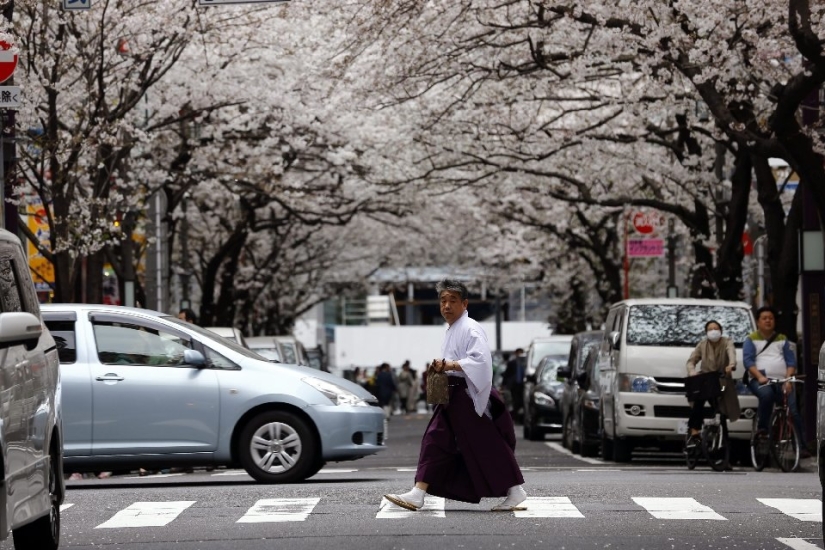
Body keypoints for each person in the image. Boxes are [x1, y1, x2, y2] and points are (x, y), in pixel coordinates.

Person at [384, 279, 527, 512]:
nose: (446, 306)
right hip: (453, 395)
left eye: (452, 301)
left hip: (466, 394)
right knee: (436, 440)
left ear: (464, 303)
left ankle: (515, 490)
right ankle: (418, 492)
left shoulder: (470, 327)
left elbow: (481, 361)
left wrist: (450, 364)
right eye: (443, 301)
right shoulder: (454, 328)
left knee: (485, 444)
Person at [743, 306, 809, 457]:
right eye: (764, 318)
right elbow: (748, 361)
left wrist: (788, 380)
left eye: (771, 318)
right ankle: (763, 429)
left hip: (782, 380)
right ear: (758, 322)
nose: (768, 321)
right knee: (766, 396)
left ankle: (802, 446)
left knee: (793, 411)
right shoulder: (751, 339)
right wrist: (759, 376)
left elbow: (790, 362)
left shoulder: (782, 339)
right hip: (760, 379)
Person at [684, 320, 739, 468]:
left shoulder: (727, 341)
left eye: (716, 328)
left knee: (721, 413)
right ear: (706, 332)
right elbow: (691, 361)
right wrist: (692, 371)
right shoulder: (702, 345)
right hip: (705, 381)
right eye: (710, 329)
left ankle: (724, 457)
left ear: (721, 330)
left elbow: (731, 353)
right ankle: (694, 429)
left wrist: (731, 365)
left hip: (721, 383)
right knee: (699, 401)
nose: (713, 331)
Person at [503, 348, 526, 420]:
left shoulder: (525, 363)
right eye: (518, 353)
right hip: (514, 385)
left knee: (522, 400)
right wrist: (504, 384)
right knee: (515, 400)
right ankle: (516, 417)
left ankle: (520, 416)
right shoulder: (512, 363)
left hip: (523, 384)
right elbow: (507, 374)